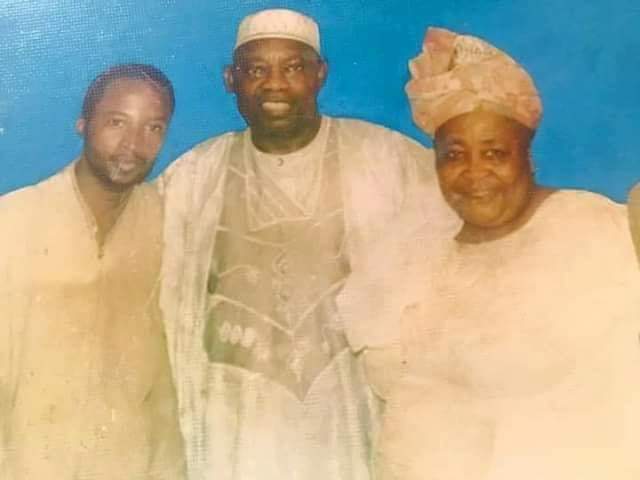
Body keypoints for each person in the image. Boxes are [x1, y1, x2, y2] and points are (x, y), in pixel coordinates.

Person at [158, 8, 457, 480]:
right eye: (257, 70)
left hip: (351, 423)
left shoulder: (387, 159)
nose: (274, 84)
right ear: (230, 79)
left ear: (321, 75)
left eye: (293, 68)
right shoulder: (194, 177)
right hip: (232, 430)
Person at [338, 27, 640, 480]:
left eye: (495, 152)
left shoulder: (598, 229)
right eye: (453, 155)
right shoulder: (413, 253)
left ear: (528, 157)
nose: (474, 173)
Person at [0, 64, 185, 479]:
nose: (132, 146)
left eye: (153, 128)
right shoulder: (14, 222)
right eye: (117, 123)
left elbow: (162, 381)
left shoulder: (165, 221)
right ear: (83, 124)